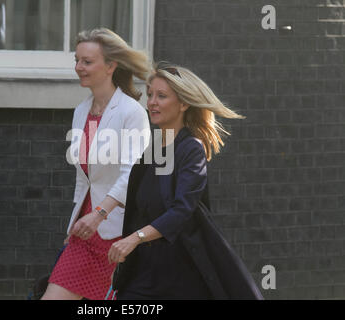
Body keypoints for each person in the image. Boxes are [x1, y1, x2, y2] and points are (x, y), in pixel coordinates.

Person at [108, 62, 261, 299]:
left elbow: (182, 210)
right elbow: (139, 202)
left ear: (183, 103)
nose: (152, 102)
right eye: (150, 95)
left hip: (181, 274)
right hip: (144, 271)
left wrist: (134, 239)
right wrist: (99, 214)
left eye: (162, 96)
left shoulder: (191, 148)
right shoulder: (154, 147)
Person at [41, 28, 151, 300]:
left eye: (87, 62)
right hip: (85, 231)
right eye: (77, 60)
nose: (79, 67)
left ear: (111, 65)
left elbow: (131, 175)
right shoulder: (82, 112)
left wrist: (98, 214)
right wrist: (75, 225)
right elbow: (84, 177)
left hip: (116, 231)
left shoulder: (131, 112)